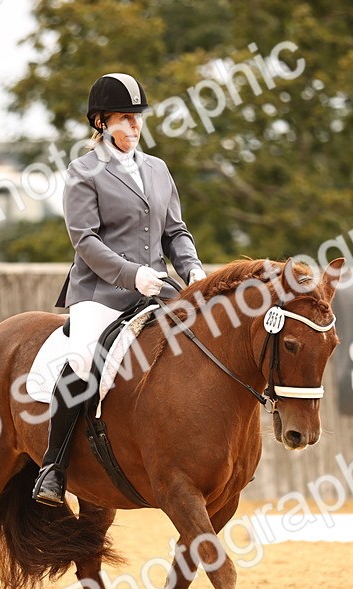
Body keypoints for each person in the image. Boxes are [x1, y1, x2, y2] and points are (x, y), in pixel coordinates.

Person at [33, 72, 207, 506]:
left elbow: (175, 232)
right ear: (101, 123)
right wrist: (132, 275)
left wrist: (194, 270)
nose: (133, 127)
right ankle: (52, 469)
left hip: (158, 287)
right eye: (123, 119)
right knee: (83, 356)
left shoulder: (158, 169)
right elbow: (85, 241)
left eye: (137, 119)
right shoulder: (83, 172)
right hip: (100, 293)